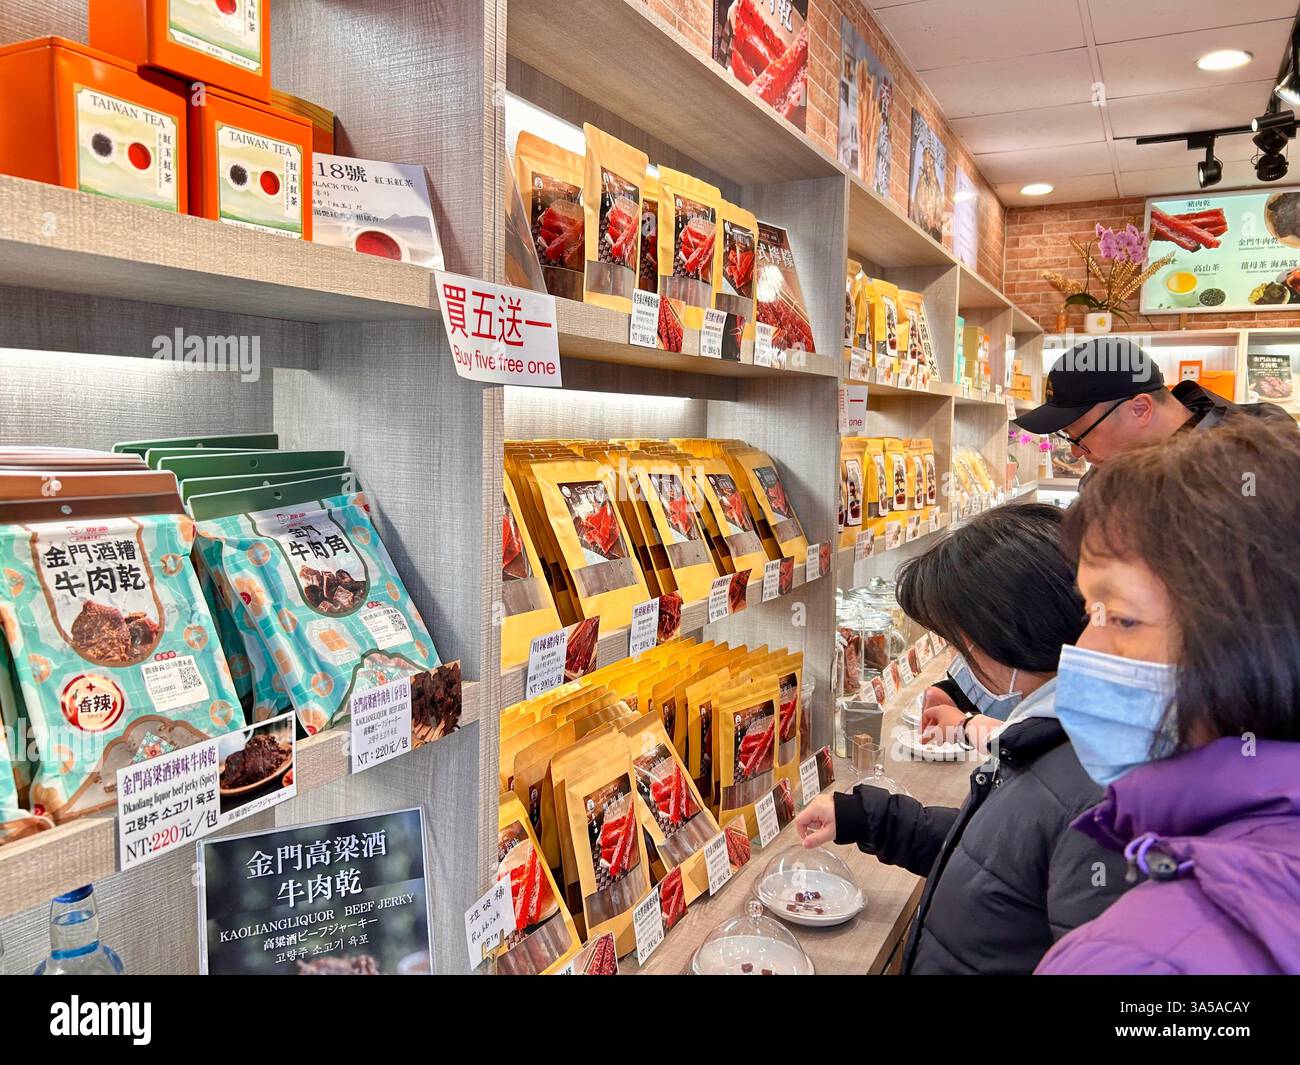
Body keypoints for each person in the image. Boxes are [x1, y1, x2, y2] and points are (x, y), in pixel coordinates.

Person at [797, 504, 1130, 974]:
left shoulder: (1092, 785)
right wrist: (872, 818)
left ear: (1008, 633)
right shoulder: (1056, 740)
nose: (960, 660)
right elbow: (996, 858)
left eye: (962, 642)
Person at [1036, 419, 1300, 975]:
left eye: (1123, 618)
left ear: (1258, 643)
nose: (1083, 650)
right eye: (1089, 611)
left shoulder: (1131, 958)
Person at [1013, 337, 1291, 472]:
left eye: (1079, 437)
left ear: (1140, 409)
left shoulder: (1259, 456)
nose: (1074, 452)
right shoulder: (1110, 472)